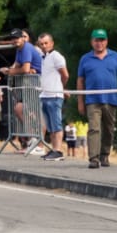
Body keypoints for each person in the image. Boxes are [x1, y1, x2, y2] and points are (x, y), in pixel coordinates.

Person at [76, 28, 117, 169]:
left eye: (102, 40)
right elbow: (80, 80)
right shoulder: (85, 59)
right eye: (96, 40)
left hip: (111, 99)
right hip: (92, 100)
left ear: (106, 41)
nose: (99, 43)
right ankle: (93, 158)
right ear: (92, 42)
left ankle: (104, 154)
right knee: (94, 128)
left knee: (109, 129)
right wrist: (80, 101)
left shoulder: (115, 57)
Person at [36, 32, 69, 161]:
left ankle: (58, 150)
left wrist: (60, 87)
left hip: (54, 94)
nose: (44, 46)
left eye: (46, 43)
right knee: (50, 125)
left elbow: (65, 75)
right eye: (41, 44)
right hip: (45, 94)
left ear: (52, 43)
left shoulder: (56, 56)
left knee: (56, 123)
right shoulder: (43, 57)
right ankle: (53, 149)